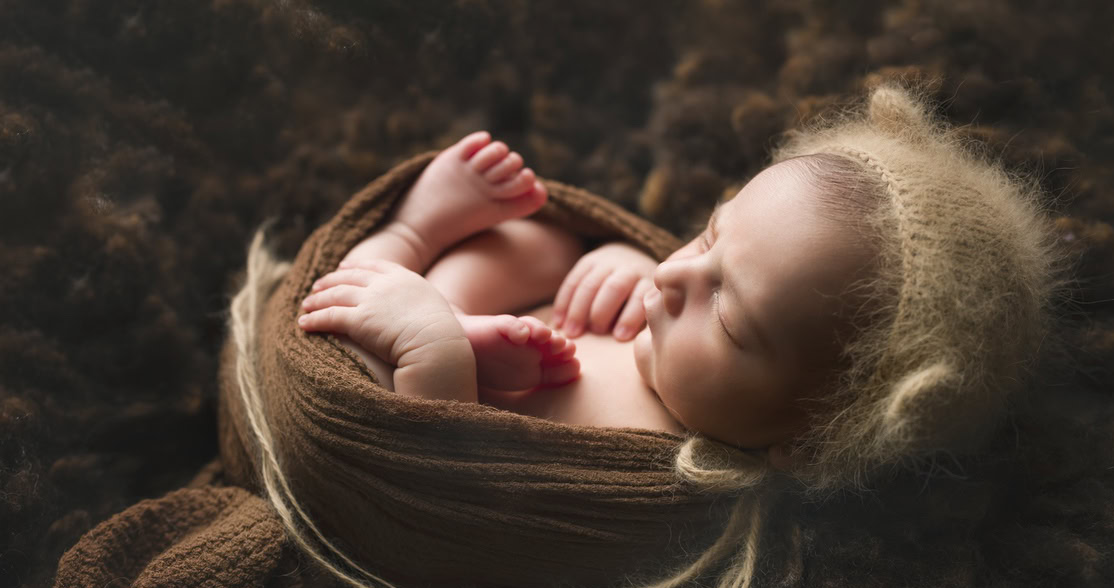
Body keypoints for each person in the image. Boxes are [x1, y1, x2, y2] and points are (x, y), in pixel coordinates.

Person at [296, 83, 1061, 487]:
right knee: (544, 238)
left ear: (805, 442)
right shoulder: (663, 309)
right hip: (481, 319)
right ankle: (413, 250)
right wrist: (616, 263)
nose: (673, 275)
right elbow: (651, 268)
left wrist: (441, 357)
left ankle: (400, 257)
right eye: (708, 234)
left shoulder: (671, 478)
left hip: (416, 417)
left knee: (375, 344)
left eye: (728, 317)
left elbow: (458, 504)